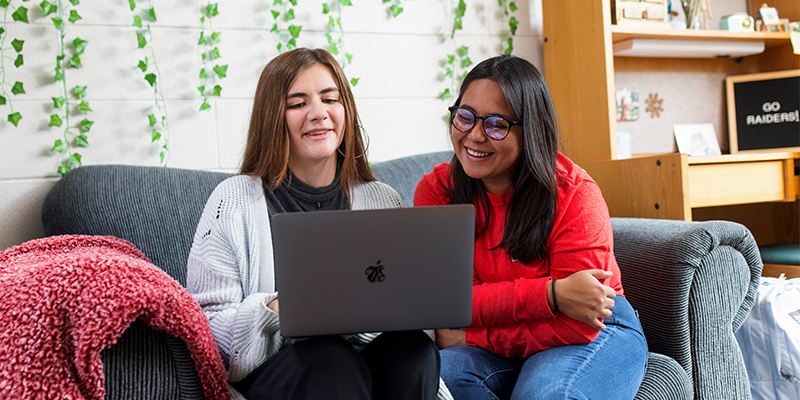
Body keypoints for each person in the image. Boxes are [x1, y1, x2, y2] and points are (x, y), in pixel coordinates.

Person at [187, 48, 443, 400]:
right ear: (273, 117)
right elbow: (205, 329)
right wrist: (278, 310)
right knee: (330, 360)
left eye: (329, 99)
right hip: (279, 372)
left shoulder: (381, 198)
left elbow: (412, 315)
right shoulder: (232, 201)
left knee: (414, 349)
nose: (318, 114)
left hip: (360, 363)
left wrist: (353, 322)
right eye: (297, 104)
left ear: (345, 110)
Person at [414, 54, 648, 399]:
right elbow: (449, 304)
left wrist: (473, 334)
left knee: (543, 393)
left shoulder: (575, 195)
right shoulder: (437, 192)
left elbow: (578, 323)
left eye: (496, 124)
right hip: (507, 337)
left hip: (596, 330)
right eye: (464, 117)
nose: (474, 136)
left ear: (531, 129)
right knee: (441, 377)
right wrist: (553, 294)